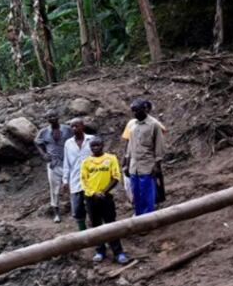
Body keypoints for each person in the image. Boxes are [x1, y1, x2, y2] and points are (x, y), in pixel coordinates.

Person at [80, 135, 128, 264]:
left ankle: (118, 252)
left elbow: (116, 177)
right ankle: (100, 250)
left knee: (111, 224)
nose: (95, 148)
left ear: (103, 145)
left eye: (98, 145)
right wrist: (94, 193)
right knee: (96, 225)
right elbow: (84, 181)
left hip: (106, 197)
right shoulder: (86, 162)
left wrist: (104, 192)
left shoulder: (111, 158)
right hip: (91, 198)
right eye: (92, 146)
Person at [122, 99, 165, 216]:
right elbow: (130, 146)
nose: (135, 114)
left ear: (145, 110)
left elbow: (159, 147)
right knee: (136, 194)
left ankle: (148, 220)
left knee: (147, 194)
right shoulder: (132, 125)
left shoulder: (154, 125)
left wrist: (157, 165)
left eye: (137, 111)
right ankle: (139, 217)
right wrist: (126, 164)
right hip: (133, 166)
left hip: (147, 165)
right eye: (133, 111)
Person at [35, 110, 72, 223]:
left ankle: (76, 210)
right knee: (54, 190)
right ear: (47, 119)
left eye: (54, 115)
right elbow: (37, 142)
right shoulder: (44, 132)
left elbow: (75, 139)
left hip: (68, 162)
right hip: (53, 164)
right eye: (49, 117)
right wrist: (43, 154)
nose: (52, 118)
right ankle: (56, 213)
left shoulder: (67, 129)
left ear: (58, 116)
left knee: (73, 187)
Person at [59, 117, 93, 231]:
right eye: (72, 126)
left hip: (92, 180)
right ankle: (83, 235)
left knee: (94, 208)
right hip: (75, 180)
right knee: (78, 209)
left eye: (76, 126)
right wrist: (65, 180)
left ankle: (100, 234)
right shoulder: (68, 143)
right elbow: (66, 163)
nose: (74, 128)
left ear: (82, 126)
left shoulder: (91, 140)